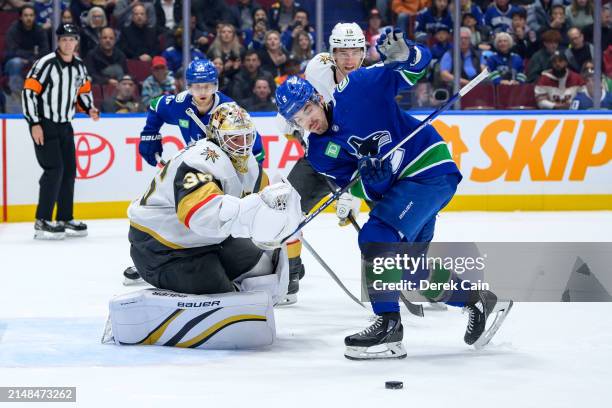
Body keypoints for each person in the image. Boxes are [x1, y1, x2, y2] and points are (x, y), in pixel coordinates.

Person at [276, 28, 512, 360]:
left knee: (375, 237)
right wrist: (375, 180)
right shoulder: (319, 152)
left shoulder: (358, 89)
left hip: (429, 170)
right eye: (297, 119)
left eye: (307, 111)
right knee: (409, 269)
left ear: (317, 98)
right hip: (403, 189)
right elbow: (368, 190)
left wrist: (408, 55)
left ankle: (388, 326)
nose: (307, 121)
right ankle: (479, 300)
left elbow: (416, 68)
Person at [22, 24, 100, 239]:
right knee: (53, 170)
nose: (68, 43)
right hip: (45, 124)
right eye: (64, 39)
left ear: (76, 42)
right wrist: (34, 123)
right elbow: (29, 92)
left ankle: (65, 217)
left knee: (68, 172)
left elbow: (83, 92)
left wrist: (89, 108)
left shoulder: (79, 67)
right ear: (58, 41)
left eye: (71, 39)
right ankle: (43, 220)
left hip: (66, 125)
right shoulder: (45, 64)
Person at [4, 5, 50, 95]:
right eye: (26, 15)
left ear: (35, 17)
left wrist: (31, 59)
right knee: (16, 62)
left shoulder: (39, 30)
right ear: (21, 17)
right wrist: (30, 56)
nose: (29, 18)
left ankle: (39, 95)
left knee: (46, 63)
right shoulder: (13, 29)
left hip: (33, 59)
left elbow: (45, 50)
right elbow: (12, 50)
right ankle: (16, 94)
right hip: (14, 60)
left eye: (31, 15)